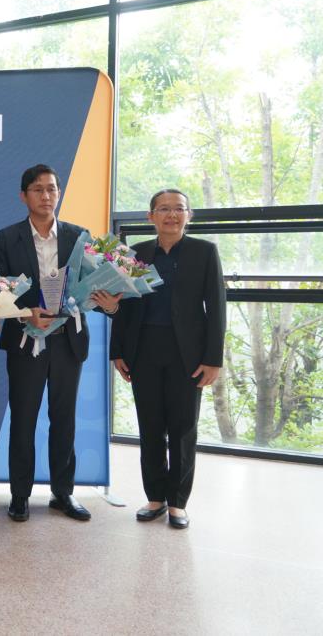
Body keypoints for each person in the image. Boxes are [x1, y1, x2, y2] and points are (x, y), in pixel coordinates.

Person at [0, 163, 120, 523]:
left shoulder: (79, 236)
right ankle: (19, 495)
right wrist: (26, 313)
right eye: (38, 189)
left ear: (58, 193)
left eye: (51, 189)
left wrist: (110, 303)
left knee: (64, 419)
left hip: (67, 342)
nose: (46, 196)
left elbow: (93, 286)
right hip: (25, 341)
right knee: (23, 419)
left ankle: (63, 492)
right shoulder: (7, 237)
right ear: (23, 196)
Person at [110, 189, 225, 530]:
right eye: (163, 209)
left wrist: (213, 358)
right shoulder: (137, 253)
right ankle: (155, 497)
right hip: (144, 349)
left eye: (178, 209)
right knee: (150, 426)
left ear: (189, 215)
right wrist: (118, 351)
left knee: (183, 428)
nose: (171, 215)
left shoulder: (205, 252)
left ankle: (177, 502)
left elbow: (216, 306)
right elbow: (125, 305)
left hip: (187, 354)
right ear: (151, 216)